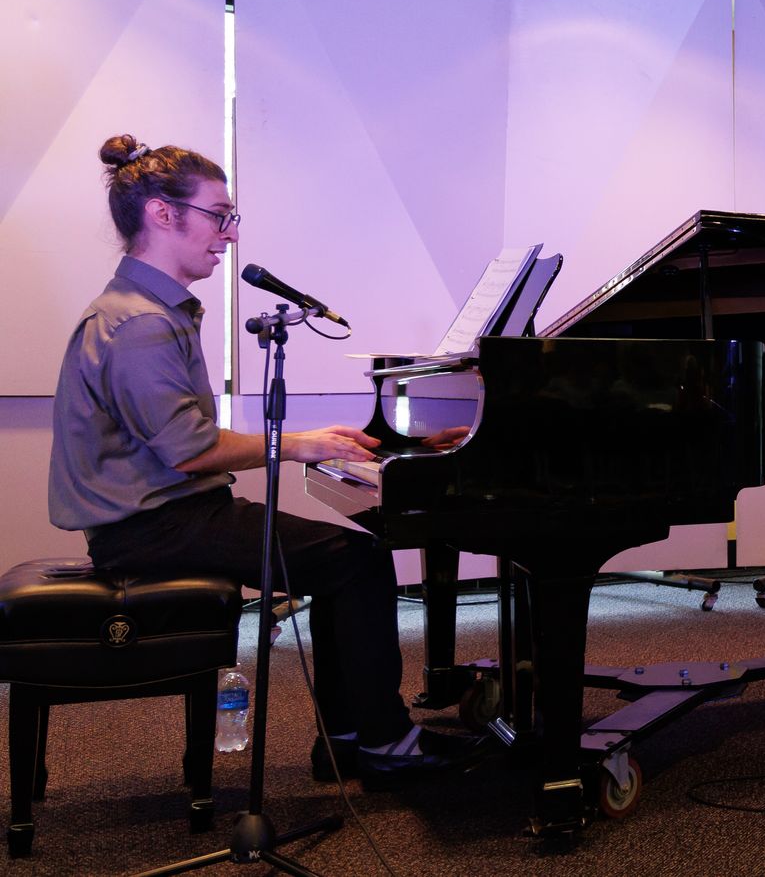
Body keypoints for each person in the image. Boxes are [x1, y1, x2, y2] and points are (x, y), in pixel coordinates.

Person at [48, 134, 480, 778]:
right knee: (357, 562)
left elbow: (177, 438)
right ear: (163, 214)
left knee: (346, 561)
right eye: (219, 215)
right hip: (154, 529)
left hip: (162, 518)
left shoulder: (143, 310)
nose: (229, 234)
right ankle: (379, 741)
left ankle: (350, 738)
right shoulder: (140, 323)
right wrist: (301, 444)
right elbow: (188, 449)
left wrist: (323, 440)